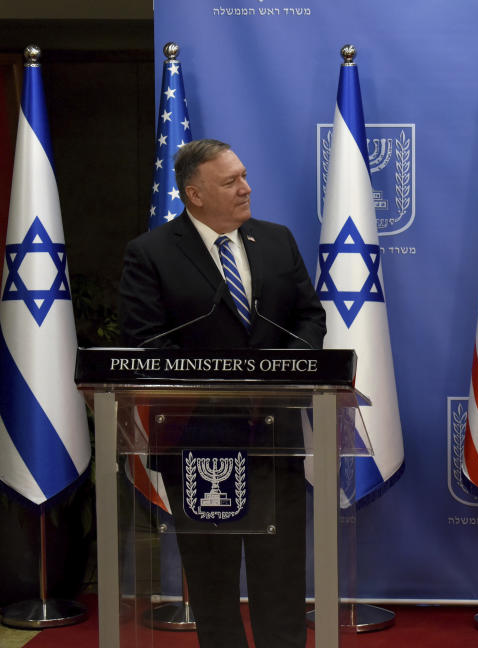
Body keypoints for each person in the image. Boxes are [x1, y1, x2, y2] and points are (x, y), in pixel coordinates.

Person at [119, 139, 326, 648]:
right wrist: (222, 386)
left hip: (274, 438)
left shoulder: (276, 241)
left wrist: (280, 372)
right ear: (194, 194)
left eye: (245, 176)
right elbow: (146, 340)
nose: (246, 188)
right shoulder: (151, 254)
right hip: (199, 443)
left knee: (280, 582)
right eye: (231, 181)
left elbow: (308, 316)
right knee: (212, 587)